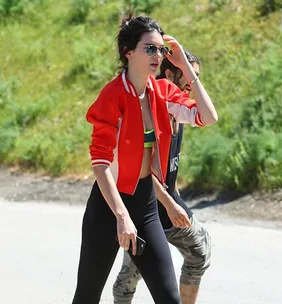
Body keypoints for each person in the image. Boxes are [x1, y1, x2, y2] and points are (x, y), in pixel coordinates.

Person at [72, 14, 218, 304]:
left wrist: (185, 67)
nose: (157, 55)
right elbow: (100, 164)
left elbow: (207, 117)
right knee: (87, 297)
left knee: (169, 298)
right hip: (108, 208)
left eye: (160, 49)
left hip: (145, 205)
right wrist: (121, 216)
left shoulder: (161, 92)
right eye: (148, 48)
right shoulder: (112, 96)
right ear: (129, 53)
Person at [113, 51, 211, 304]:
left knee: (200, 251)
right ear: (169, 74)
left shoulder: (178, 109)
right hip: (148, 207)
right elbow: (141, 168)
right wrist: (169, 203)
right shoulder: (153, 106)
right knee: (132, 275)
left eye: (196, 77)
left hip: (170, 203)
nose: (191, 84)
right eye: (188, 76)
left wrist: (175, 197)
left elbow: (206, 116)